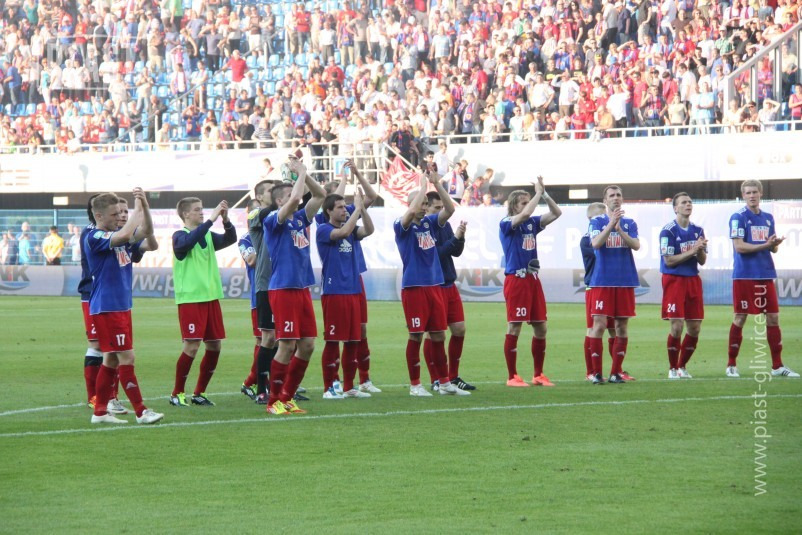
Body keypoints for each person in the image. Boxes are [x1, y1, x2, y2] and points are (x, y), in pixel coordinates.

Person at [85, 190, 163, 425]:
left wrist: (144, 206)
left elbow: (147, 234)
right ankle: (141, 411)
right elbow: (126, 234)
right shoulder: (94, 236)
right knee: (127, 356)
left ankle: (100, 412)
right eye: (114, 214)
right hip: (107, 307)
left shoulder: (117, 235)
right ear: (99, 215)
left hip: (120, 306)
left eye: (121, 212)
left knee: (111, 359)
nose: (119, 217)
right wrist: (136, 210)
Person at [394, 169, 469, 397]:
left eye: (427, 203)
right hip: (414, 288)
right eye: (422, 203)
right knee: (416, 336)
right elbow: (410, 212)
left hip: (435, 285)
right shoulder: (401, 225)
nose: (424, 207)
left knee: (439, 335)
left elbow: (450, 209)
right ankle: (415, 385)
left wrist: (436, 185)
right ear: (411, 204)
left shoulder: (429, 223)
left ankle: (444, 382)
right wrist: (422, 185)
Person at [264, 159, 326, 414]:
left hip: (301, 288)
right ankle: (273, 401)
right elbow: (298, 197)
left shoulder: (300, 219)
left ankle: (287, 397)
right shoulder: (273, 219)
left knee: (308, 345)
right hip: (283, 288)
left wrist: (305, 173)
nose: (295, 197)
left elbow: (320, 195)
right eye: (288, 195)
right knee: (287, 345)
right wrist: (299, 174)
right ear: (280, 201)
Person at [315, 160, 381, 395]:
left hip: (353, 288)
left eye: (346, 207)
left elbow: (369, 230)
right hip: (335, 291)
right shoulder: (323, 228)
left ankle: (349, 386)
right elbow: (343, 231)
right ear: (329, 210)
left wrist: (361, 209)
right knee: (333, 340)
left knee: (354, 339)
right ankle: (329, 386)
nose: (345, 210)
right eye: (341, 207)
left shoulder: (351, 227)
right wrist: (357, 208)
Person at [726, 180, 798, 378]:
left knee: (773, 317)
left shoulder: (768, 218)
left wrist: (774, 244)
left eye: (754, 192)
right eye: (748, 193)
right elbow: (739, 247)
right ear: (743, 195)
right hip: (745, 274)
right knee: (740, 317)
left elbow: (772, 248)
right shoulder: (738, 217)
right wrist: (765, 245)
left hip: (765, 273)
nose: (752, 195)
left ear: (761, 194)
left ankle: (777, 366)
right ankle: (731, 364)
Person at [169, 197, 237, 407]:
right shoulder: (179, 236)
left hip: (211, 297)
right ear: (186, 214)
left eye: (202, 209)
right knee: (192, 346)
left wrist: (225, 220)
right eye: (197, 209)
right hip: (191, 299)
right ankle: (177, 393)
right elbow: (187, 244)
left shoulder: (206, 235)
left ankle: (200, 392)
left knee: (215, 345)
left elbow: (230, 239)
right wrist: (210, 221)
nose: (202, 212)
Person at [500, 176, 563, 387]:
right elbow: (526, 214)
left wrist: (544, 194)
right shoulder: (506, 223)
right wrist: (537, 193)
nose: (527, 206)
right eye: (523, 202)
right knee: (514, 327)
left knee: (541, 327)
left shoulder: (532, 224)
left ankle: (538, 374)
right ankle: (512, 376)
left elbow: (556, 213)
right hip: (516, 280)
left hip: (533, 280)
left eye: (528, 202)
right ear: (513, 206)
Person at [422, 191, 475, 391]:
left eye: (442, 208)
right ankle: (436, 379)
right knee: (433, 334)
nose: (440, 212)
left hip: (449, 284)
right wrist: (454, 240)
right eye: (436, 208)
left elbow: (455, 252)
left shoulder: (445, 225)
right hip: (433, 285)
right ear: (426, 208)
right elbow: (436, 254)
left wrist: (460, 237)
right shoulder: (424, 228)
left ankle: (453, 376)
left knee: (459, 329)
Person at [587, 185, 640, 384]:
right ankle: (596, 373)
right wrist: (611, 225)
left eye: (618, 195)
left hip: (625, 281)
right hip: (603, 281)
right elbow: (596, 243)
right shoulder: (597, 221)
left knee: (621, 327)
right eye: (612, 195)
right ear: (605, 200)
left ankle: (616, 372)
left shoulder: (630, 223)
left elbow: (636, 245)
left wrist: (620, 230)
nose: (616, 198)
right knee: (599, 325)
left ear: (622, 199)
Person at [660, 193, 708, 380]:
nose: (688, 205)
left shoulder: (698, 230)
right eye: (684, 202)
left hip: (693, 280)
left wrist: (700, 250)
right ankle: (672, 368)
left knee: (695, 327)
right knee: (677, 325)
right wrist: (692, 250)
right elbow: (669, 261)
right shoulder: (668, 231)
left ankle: (682, 366)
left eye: (690, 202)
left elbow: (702, 261)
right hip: (674, 281)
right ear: (675, 208)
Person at [245, 180, 280, 404]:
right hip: (265, 285)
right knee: (268, 337)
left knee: (282, 340)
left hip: (283, 285)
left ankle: (277, 386)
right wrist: (286, 199)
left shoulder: (280, 217)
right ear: (259, 197)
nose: (275, 194)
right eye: (270, 191)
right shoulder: (255, 214)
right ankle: (260, 388)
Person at [580, 202, 616, 382]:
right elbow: (600, 252)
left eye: (606, 217)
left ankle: (617, 370)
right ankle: (591, 371)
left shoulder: (612, 235)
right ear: (591, 219)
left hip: (613, 286)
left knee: (615, 328)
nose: (604, 221)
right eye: (600, 217)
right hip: (595, 287)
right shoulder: (587, 239)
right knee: (593, 328)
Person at [237, 230, 261, 400]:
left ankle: (280, 380)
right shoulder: (246, 239)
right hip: (260, 297)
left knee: (288, 340)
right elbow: (251, 260)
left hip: (280, 291)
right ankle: (250, 382)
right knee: (264, 340)